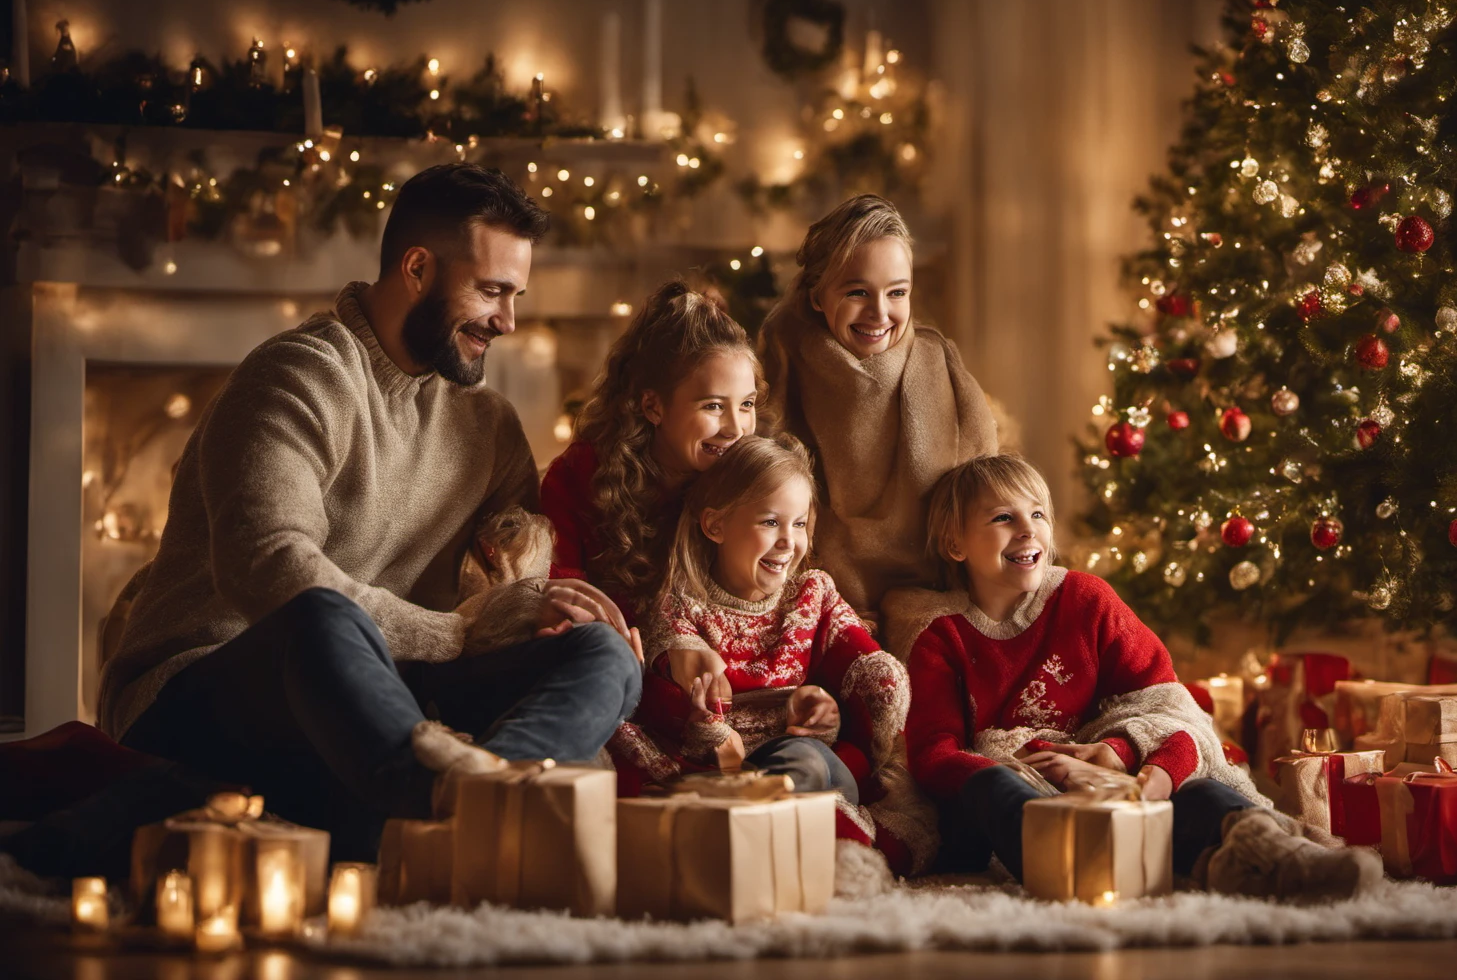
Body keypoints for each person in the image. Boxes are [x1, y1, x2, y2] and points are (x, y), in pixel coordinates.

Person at [98, 163, 642, 857]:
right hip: (204, 691)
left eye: (516, 296)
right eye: (491, 291)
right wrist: (454, 635)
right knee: (321, 615)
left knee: (604, 655)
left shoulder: (490, 427)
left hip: (386, 710)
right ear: (417, 269)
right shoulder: (297, 375)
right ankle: (442, 810)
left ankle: (471, 802)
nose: (507, 321)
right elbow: (267, 568)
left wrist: (548, 614)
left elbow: (503, 603)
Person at [905, 453, 1383, 899]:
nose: (1028, 530)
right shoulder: (941, 639)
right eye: (1002, 518)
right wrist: (1018, 765)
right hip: (1030, 804)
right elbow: (933, 753)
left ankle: (1273, 858)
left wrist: (1122, 759)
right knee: (990, 787)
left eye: (1038, 514)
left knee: (1199, 790)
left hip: (1114, 784)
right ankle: (1089, 864)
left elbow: (1171, 710)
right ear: (955, 543)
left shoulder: (1085, 600)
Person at [624, 434, 932, 879]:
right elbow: (671, 704)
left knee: (813, 763)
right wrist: (706, 719)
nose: (789, 541)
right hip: (722, 767)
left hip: (810, 756)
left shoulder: (812, 593)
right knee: (801, 772)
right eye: (770, 522)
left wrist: (828, 708)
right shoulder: (680, 607)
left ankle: (782, 844)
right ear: (715, 526)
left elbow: (862, 659)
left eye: (800, 524)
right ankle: (778, 851)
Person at [758, 194, 997, 629]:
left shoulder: (942, 369)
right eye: (857, 292)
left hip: (938, 601)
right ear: (817, 295)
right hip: (807, 605)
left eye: (897, 292)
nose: (880, 313)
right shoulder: (780, 370)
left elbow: (987, 499)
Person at [541, 281, 763, 713]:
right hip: (609, 680)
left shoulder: (755, 480)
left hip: (716, 692)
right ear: (653, 406)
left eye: (747, 404)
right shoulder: (580, 476)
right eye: (713, 406)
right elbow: (562, 593)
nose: (736, 429)